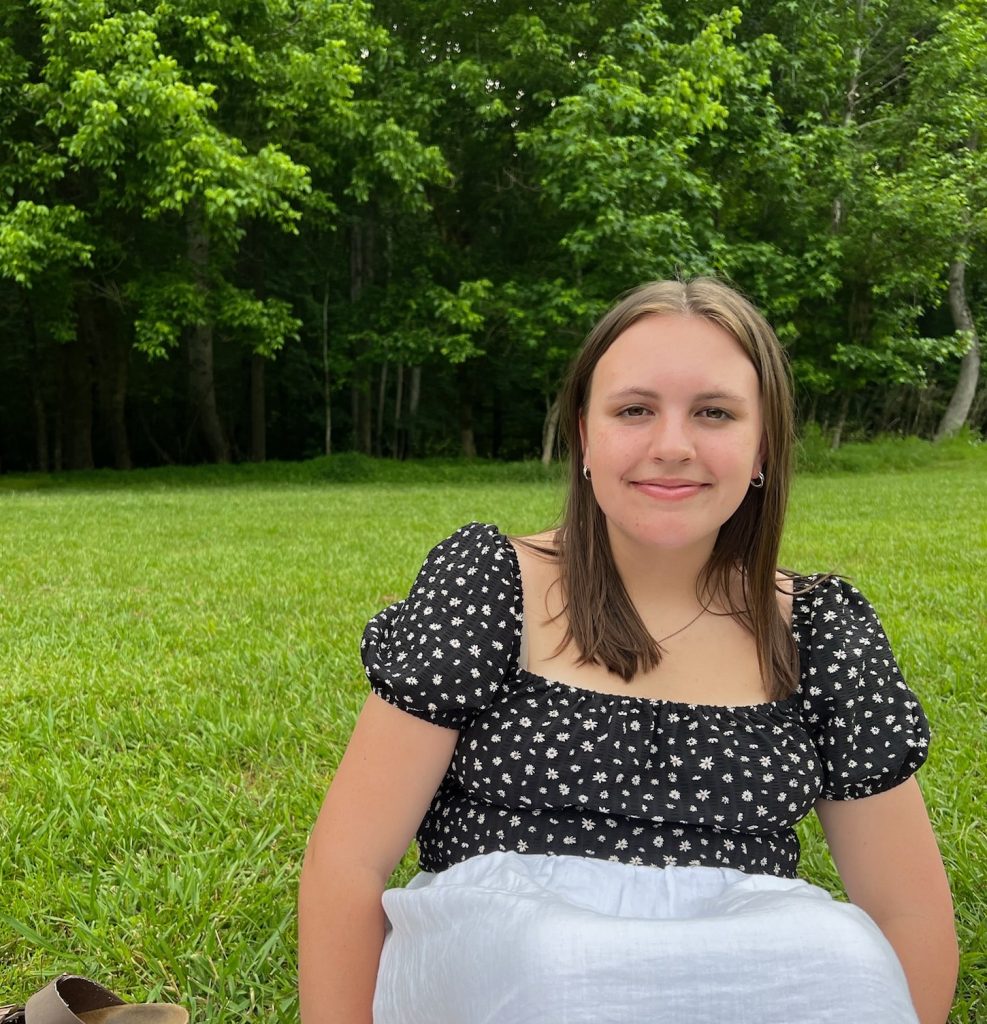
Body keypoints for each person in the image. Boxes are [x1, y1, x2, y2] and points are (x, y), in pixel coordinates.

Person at [298, 278, 958, 1024]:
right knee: (566, 964)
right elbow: (348, 867)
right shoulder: (491, 584)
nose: (671, 446)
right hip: (517, 962)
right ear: (585, 437)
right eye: (634, 410)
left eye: (713, 412)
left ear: (762, 443)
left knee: (838, 955)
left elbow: (906, 917)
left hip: (743, 963)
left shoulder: (818, 631)